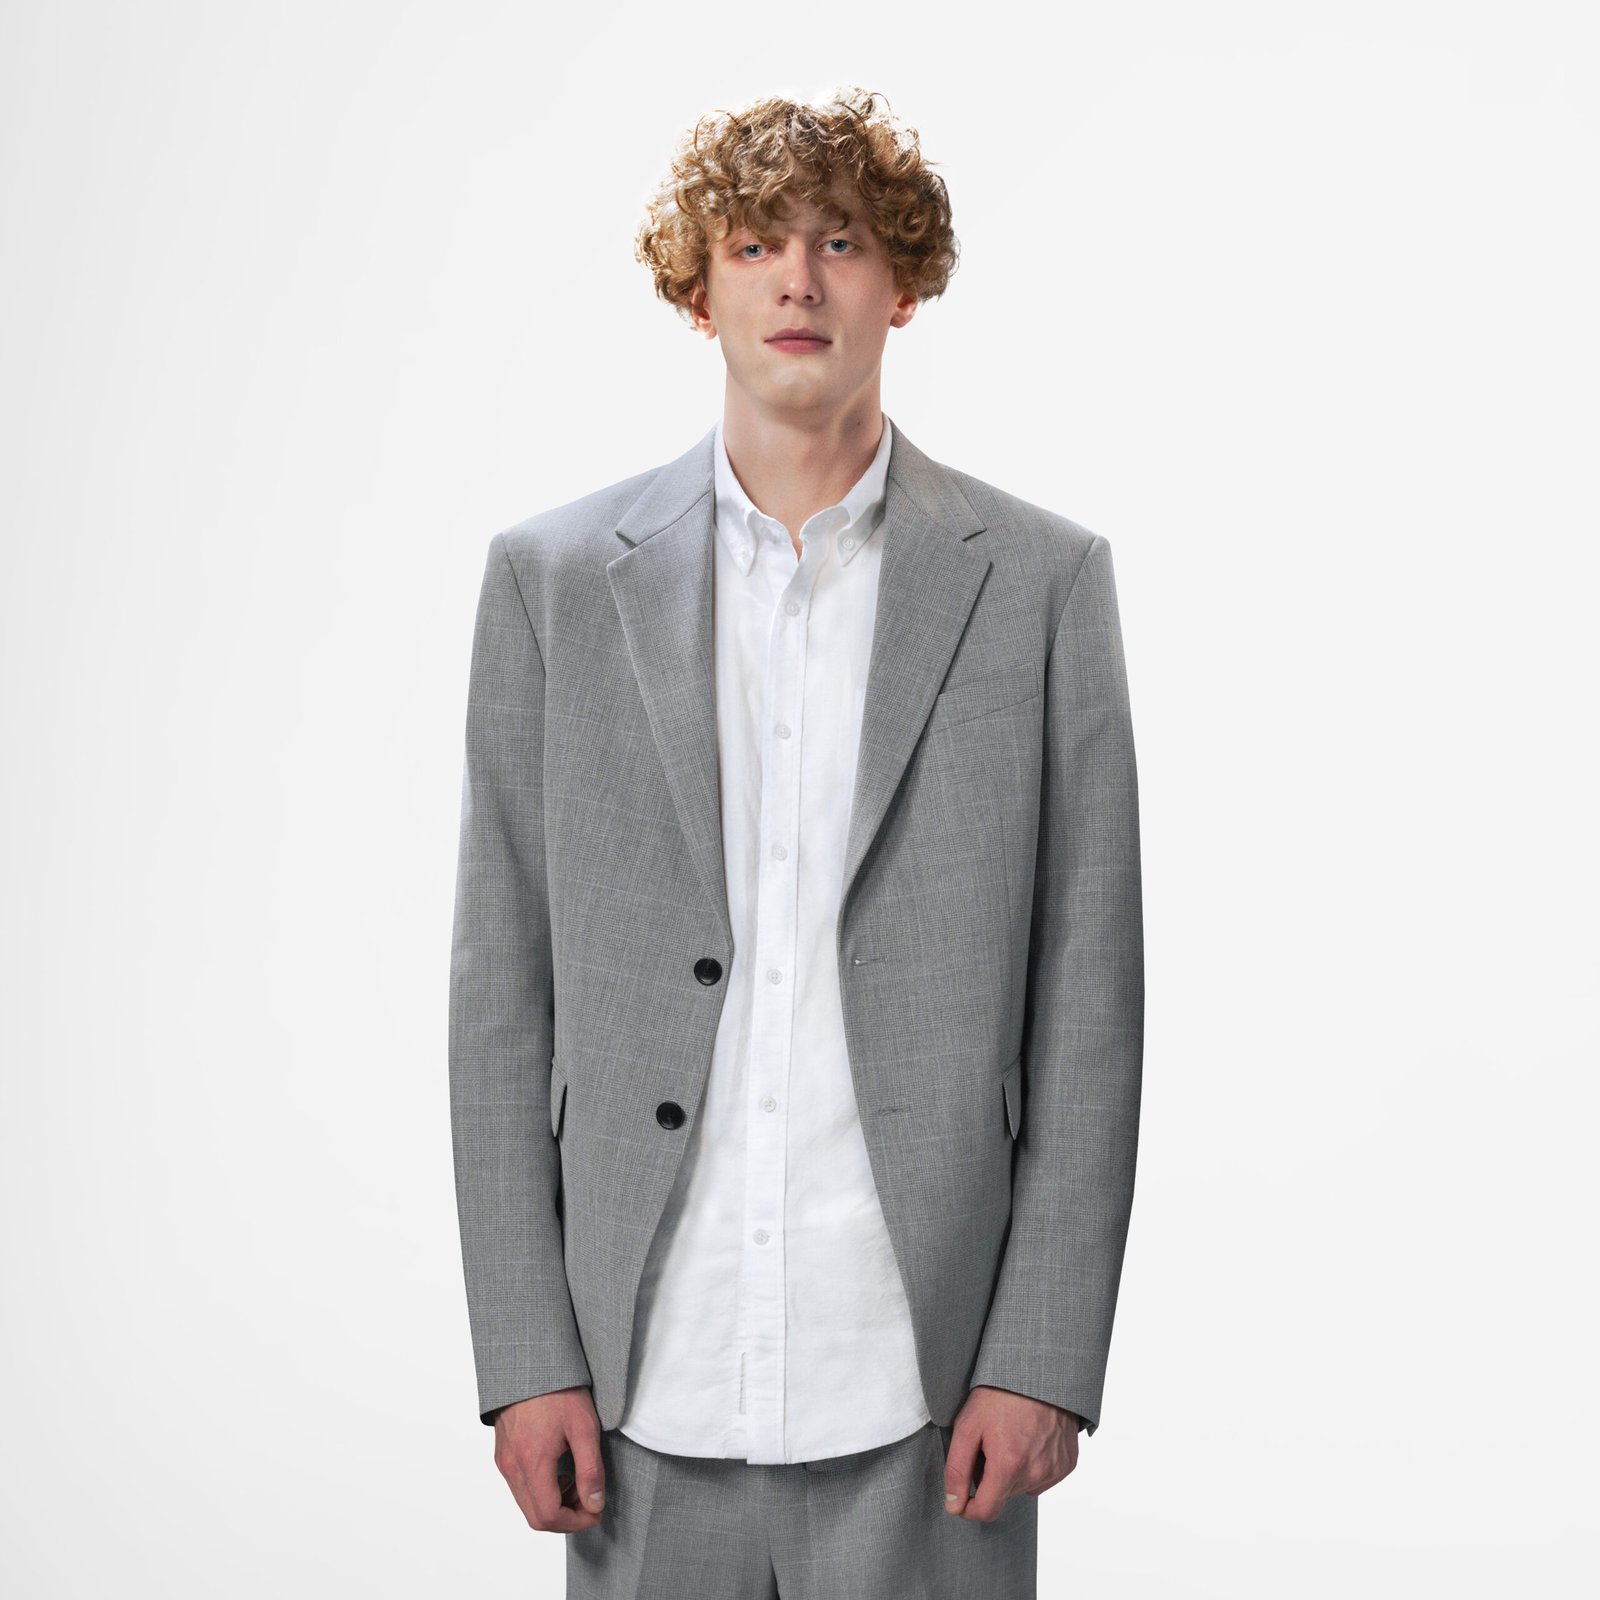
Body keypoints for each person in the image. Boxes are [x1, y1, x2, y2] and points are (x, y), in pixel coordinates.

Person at [448, 86, 1144, 1599]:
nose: (801, 282)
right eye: (756, 245)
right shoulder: (551, 586)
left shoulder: (1039, 584)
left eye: (843, 242)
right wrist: (523, 1354)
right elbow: (501, 1000)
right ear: (698, 291)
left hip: (928, 1385)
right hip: (638, 1381)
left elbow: (1089, 1004)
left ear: (905, 284)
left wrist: (1040, 1356)